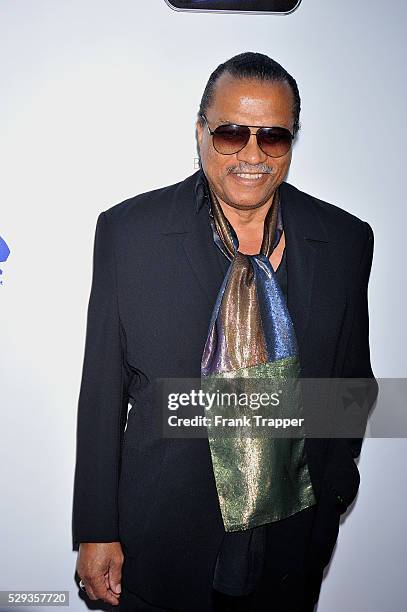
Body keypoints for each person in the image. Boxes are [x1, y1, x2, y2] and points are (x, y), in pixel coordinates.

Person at [72, 52, 378, 612]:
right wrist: (96, 528)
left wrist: (334, 491)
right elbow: (102, 394)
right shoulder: (129, 234)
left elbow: (352, 380)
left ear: (293, 139)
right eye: (232, 134)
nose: (252, 155)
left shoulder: (345, 241)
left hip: (291, 546)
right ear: (201, 132)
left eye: (274, 137)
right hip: (161, 540)